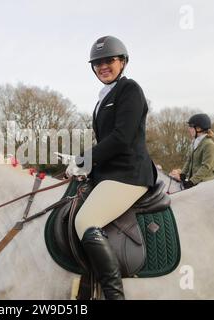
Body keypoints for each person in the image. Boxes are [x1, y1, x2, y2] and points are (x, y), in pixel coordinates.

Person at [65, 35, 157, 300]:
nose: (103, 66)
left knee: (86, 221)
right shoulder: (102, 98)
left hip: (129, 174)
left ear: (123, 62)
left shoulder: (130, 90)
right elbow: (106, 143)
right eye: (97, 63)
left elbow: (121, 138)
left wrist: (84, 158)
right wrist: (85, 168)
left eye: (109, 60)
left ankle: (114, 295)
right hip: (109, 174)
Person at [179, 114, 214, 189]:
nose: (189, 129)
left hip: (207, 180)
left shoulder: (209, 144)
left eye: (191, 127)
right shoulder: (194, 142)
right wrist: (183, 173)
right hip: (196, 180)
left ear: (198, 128)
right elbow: (189, 160)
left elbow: (206, 167)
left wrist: (192, 181)